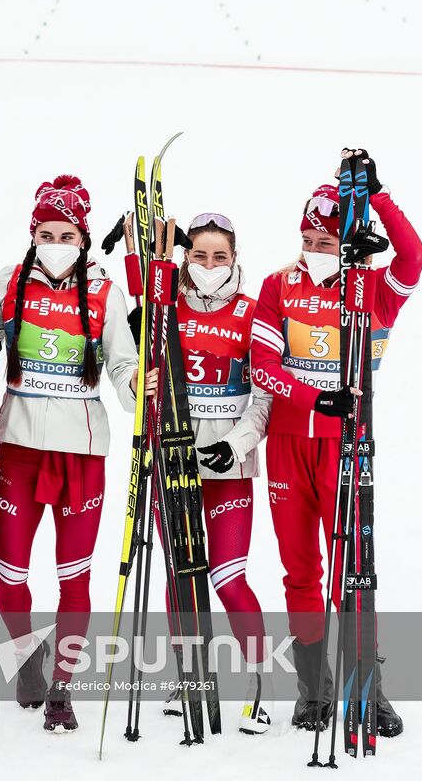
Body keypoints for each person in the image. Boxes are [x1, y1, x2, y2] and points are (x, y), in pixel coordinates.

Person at [250, 148, 422, 736]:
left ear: (347, 245)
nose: (314, 250)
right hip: (287, 446)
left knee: (356, 570)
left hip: (348, 449)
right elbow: (262, 364)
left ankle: (366, 688)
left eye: (326, 242)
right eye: (308, 239)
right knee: (300, 572)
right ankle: (312, 690)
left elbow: (415, 256)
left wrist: (378, 196)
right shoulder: (277, 286)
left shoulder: (372, 288)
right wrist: (312, 398)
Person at [0, 174, 156, 733]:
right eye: (45, 231)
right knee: (6, 571)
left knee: (73, 577)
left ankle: (62, 684)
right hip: (17, 446)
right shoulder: (9, 283)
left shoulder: (105, 292)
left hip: (81, 451)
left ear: (84, 237)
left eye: (66, 233)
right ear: (32, 232)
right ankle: (26, 658)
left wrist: (139, 389)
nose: (55, 241)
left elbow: (122, 363)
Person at [161, 212, 273, 734]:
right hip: (175, 461)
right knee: (182, 573)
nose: (209, 265)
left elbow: (263, 398)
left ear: (234, 260)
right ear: (186, 259)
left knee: (228, 577)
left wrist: (236, 443)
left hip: (228, 464)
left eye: (219, 256)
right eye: (199, 256)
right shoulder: (167, 307)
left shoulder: (252, 313)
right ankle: (187, 675)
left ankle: (259, 684)